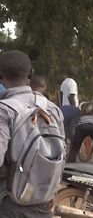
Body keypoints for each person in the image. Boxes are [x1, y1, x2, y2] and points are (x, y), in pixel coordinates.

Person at [0, 50, 64, 217]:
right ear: (31, 73)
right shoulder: (51, 108)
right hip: (44, 202)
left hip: (10, 205)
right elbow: (61, 152)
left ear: (1, 76)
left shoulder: (4, 111)